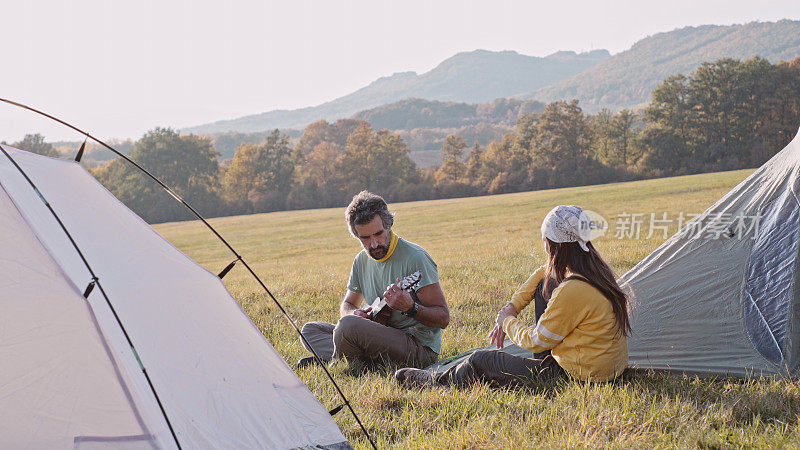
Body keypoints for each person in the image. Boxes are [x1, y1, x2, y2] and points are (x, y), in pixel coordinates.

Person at [395, 205, 629, 388]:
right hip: (604, 371)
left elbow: (536, 340)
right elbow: (543, 273)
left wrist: (507, 321)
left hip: (578, 377)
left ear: (555, 245)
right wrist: (511, 308)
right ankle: (539, 363)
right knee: (543, 285)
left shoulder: (573, 290)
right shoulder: (594, 271)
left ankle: (436, 383)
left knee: (482, 360)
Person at [298, 191, 449, 369]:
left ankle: (341, 362)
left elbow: (443, 318)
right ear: (356, 235)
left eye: (378, 234)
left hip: (417, 348)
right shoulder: (361, 260)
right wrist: (354, 313)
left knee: (347, 327)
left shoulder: (415, 257)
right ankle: (358, 360)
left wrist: (411, 308)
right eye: (366, 238)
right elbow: (348, 304)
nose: (374, 244)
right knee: (309, 331)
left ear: (389, 225)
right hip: (376, 337)